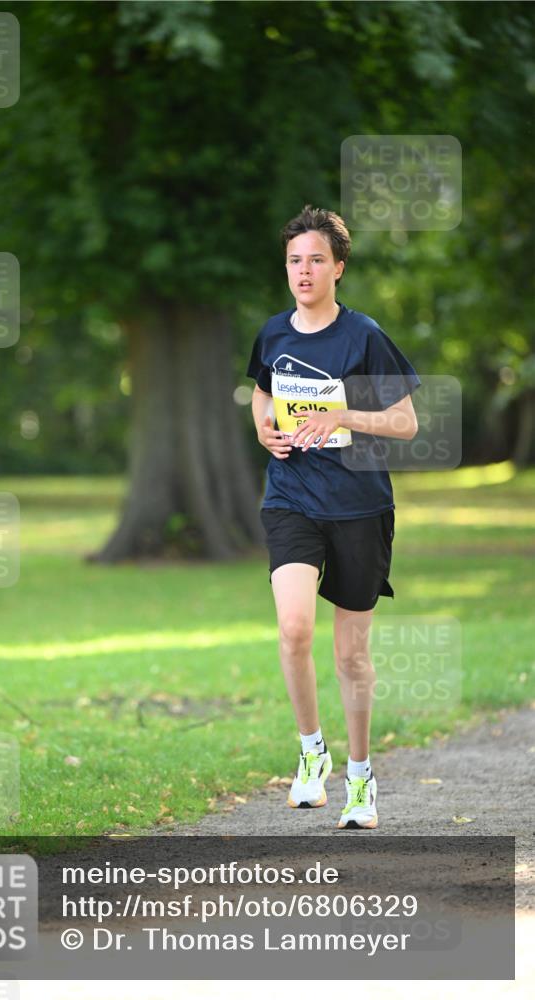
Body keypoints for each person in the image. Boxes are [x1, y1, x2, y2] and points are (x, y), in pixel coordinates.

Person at [245, 205, 421, 830]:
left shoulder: (363, 336)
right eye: (295, 259)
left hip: (358, 506)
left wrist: (346, 415)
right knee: (294, 628)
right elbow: (262, 397)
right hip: (291, 496)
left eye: (317, 259)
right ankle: (311, 754)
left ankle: (361, 778)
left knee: (351, 656)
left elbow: (405, 422)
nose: (304, 270)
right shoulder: (272, 334)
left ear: (338, 268)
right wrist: (264, 429)